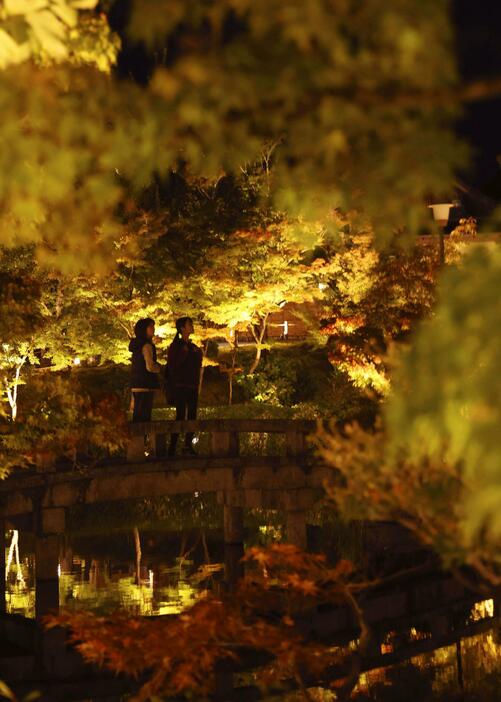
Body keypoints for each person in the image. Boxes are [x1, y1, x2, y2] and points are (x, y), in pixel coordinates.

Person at [167, 317, 202, 456]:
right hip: (180, 386)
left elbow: (197, 364)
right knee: (180, 415)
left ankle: (187, 445)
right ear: (182, 328)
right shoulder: (176, 346)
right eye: (189, 324)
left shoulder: (192, 347)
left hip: (192, 386)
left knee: (192, 415)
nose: (192, 326)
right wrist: (185, 352)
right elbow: (173, 365)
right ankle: (173, 446)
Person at [129, 318, 162, 423]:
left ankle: (136, 439)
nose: (153, 328)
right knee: (144, 418)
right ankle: (142, 439)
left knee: (137, 416)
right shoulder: (146, 345)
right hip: (145, 384)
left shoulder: (137, 345)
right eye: (151, 326)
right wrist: (160, 368)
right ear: (144, 329)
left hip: (136, 384)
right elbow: (150, 366)